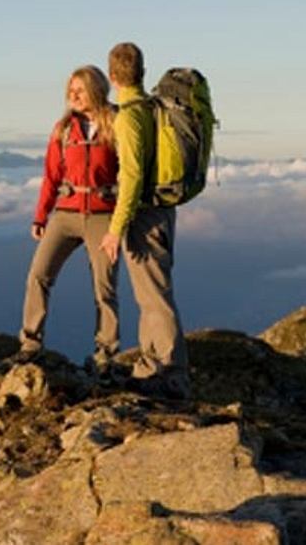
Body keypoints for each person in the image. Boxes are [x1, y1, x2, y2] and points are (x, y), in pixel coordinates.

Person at [98, 42, 190, 398]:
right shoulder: (151, 108)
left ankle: (172, 374)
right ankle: (151, 367)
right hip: (162, 210)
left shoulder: (129, 116)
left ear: (112, 77)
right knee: (150, 292)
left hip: (145, 216)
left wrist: (115, 229)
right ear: (143, 72)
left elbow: (133, 176)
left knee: (154, 296)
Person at [18, 65, 120, 370]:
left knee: (105, 287)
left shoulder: (117, 124)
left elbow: (129, 173)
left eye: (80, 90)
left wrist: (120, 223)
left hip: (103, 215)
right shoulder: (62, 129)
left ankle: (105, 354)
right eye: (70, 90)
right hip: (65, 213)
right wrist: (40, 216)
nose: (72, 96)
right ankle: (30, 343)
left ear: (96, 90)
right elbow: (51, 176)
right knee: (38, 274)